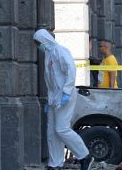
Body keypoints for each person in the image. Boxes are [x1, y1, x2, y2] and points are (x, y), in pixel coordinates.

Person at [33, 29, 93, 170]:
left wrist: (66, 91)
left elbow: (70, 69)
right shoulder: (49, 54)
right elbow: (51, 82)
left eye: (38, 43)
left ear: (44, 40)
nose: (38, 46)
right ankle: (55, 163)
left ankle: (85, 156)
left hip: (65, 96)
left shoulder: (60, 51)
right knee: (52, 132)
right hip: (55, 98)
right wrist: (50, 100)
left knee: (61, 129)